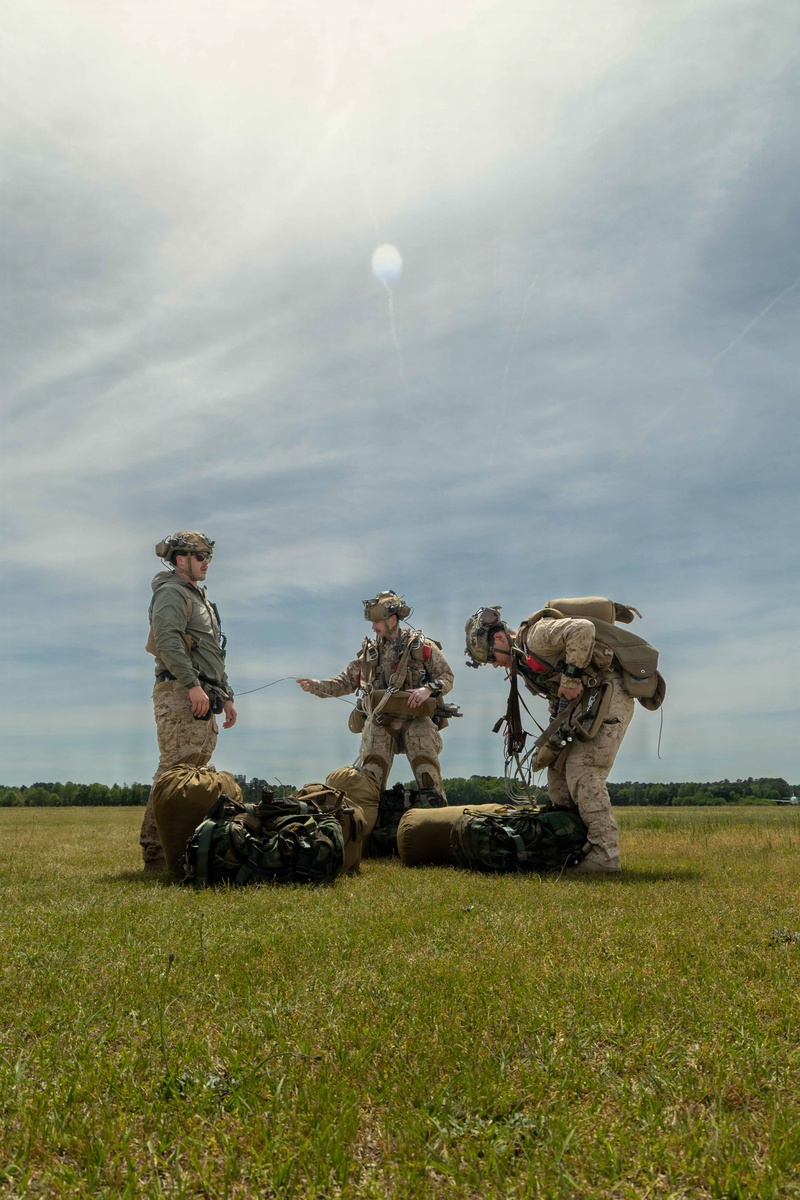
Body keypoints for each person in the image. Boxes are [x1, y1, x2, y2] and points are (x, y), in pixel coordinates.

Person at [464, 604, 635, 873]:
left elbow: (582, 629)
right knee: (556, 772)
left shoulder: (535, 636)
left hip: (609, 695)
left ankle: (605, 855)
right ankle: (571, 845)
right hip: (584, 703)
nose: (495, 664)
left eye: (491, 657)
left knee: (584, 771)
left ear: (499, 638)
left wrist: (570, 678)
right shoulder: (522, 660)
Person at [140, 531, 237, 870]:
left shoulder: (199, 598)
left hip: (203, 695)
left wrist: (226, 696)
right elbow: (167, 641)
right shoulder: (171, 593)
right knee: (173, 773)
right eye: (199, 556)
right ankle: (156, 854)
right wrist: (192, 685)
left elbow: (213, 654)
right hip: (181, 693)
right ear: (181, 560)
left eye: (208, 556)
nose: (206, 561)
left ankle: (183, 850)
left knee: (193, 774)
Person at [297, 591, 454, 794]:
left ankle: (435, 813)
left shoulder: (421, 646)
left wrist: (427, 689)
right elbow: (343, 683)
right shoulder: (370, 654)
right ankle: (372, 815)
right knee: (371, 777)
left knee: (428, 773)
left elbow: (447, 677)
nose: (373, 627)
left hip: (417, 719)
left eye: (378, 621)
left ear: (393, 619)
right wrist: (315, 686)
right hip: (381, 723)